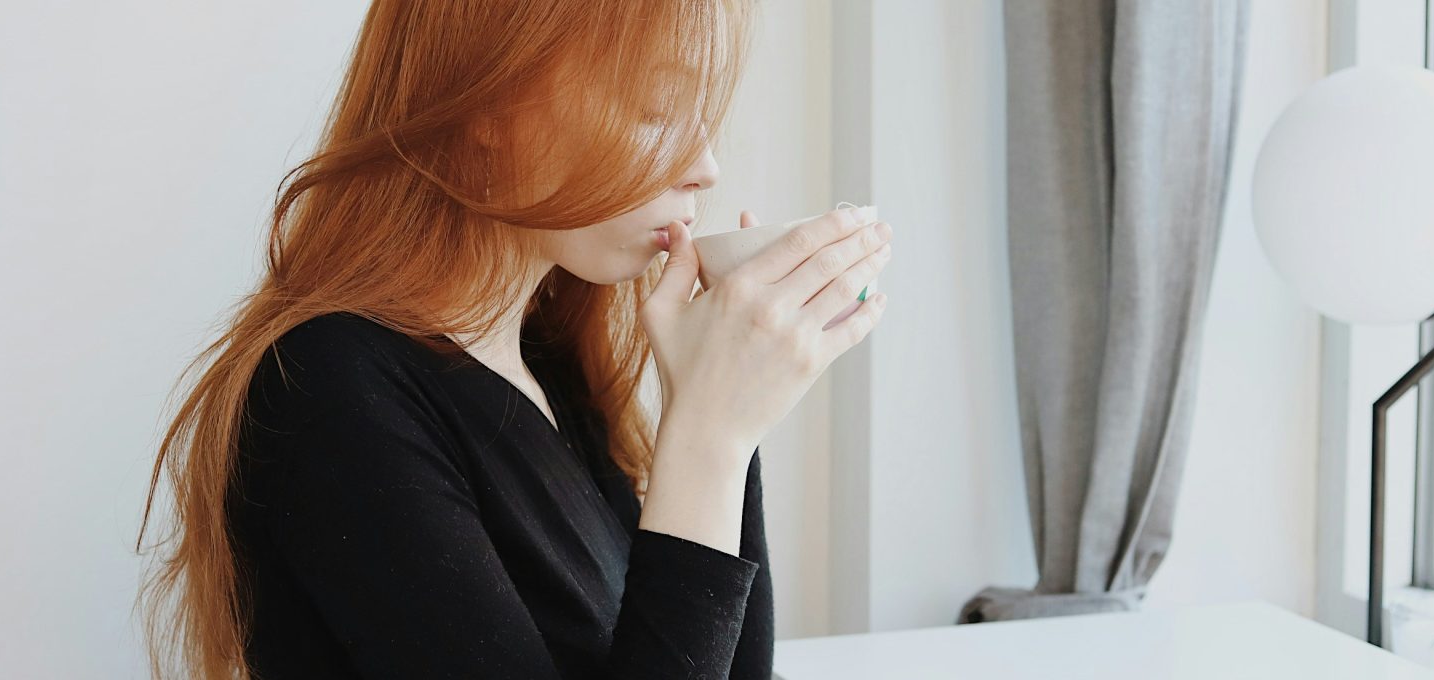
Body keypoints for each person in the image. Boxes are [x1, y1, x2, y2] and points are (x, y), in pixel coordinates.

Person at [138, 1, 892, 678]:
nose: (705, 167)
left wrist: (728, 416)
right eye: (658, 107)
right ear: (489, 106)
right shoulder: (329, 387)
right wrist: (711, 439)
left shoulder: (551, 376)